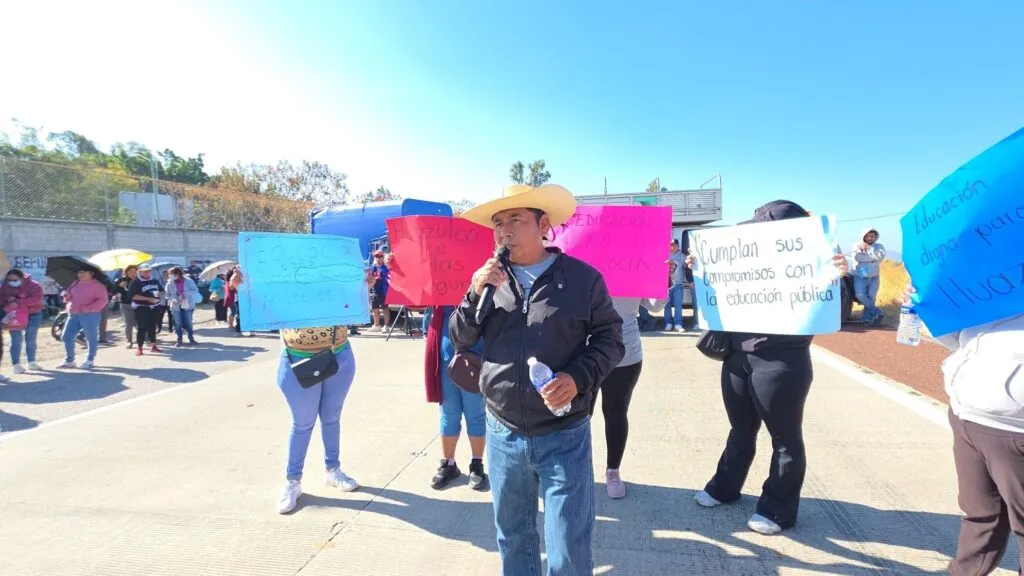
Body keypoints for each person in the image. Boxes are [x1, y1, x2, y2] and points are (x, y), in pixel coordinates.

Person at [451, 183, 624, 574]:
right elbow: (460, 338)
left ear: (543, 226)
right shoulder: (488, 282)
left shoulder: (582, 279)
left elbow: (611, 340)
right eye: (498, 223)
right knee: (513, 538)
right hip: (503, 432)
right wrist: (473, 294)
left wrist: (577, 377)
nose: (505, 231)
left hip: (564, 433)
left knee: (568, 548)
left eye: (516, 219)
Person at [688, 200, 849, 535]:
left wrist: (839, 278)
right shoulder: (744, 260)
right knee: (740, 429)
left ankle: (778, 509)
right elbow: (716, 293)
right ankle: (725, 486)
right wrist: (698, 270)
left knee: (785, 438)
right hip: (736, 358)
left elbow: (837, 312)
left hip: (781, 361)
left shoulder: (818, 264)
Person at [900, 285, 1023, 575]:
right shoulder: (991, 279)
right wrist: (929, 308)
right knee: (980, 514)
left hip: (1014, 429)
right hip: (966, 417)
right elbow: (960, 340)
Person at [275, 324, 359, 514]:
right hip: (297, 357)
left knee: (332, 418)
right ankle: (293, 480)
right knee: (302, 424)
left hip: (338, 354)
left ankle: (333, 469)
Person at [425, 305, 487, 490]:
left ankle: (477, 464)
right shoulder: (438, 294)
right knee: (448, 413)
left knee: (475, 413)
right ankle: (449, 463)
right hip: (445, 356)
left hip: (474, 356)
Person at [589, 298, 645, 499]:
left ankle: (613, 471)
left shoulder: (635, 275)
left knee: (616, 412)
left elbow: (655, 305)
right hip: (585, 353)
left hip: (626, 354)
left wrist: (664, 282)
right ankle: (577, 467)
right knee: (579, 416)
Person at [56, 266, 109, 370]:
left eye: (85, 272)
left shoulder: (98, 286)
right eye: (80, 272)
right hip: (73, 314)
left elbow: (103, 300)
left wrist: (88, 308)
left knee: (91, 338)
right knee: (66, 337)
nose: (82, 274)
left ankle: (90, 360)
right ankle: (70, 360)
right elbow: (68, 296)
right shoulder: (75, 283)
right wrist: (67, 296)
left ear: (92, 273)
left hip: (90, 315)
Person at [1, 269, 45, 373]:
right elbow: (1, 299)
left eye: (15, 280)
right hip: (14, 315)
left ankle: (32, 362)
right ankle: (16, 364)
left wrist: (19, 302)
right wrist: (8, 300)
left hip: (33, 314)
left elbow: (37, 298)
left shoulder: (34, 285)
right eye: (9, 280)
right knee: (16, 340)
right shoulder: (4, 287)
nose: (12, 282)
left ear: (22, 278)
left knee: (30, 339)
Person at [851, 228, 886, 324]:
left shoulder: (879, 246)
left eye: (872, 236)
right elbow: (858, 257)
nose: (869, 238)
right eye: (867, 236)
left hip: (874, 275)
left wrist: (869, 249)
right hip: (860, 275)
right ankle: (877, 311)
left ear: (875, 237)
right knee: (860, 295)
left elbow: (881, 256)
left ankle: (867, 318)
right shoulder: (856, 245)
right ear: (863, 236)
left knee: (871, 296)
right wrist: (873, 258)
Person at [129, 264, 163, 356]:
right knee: (141, 327)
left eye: (148, 271)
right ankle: (140, 348)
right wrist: (148, 299)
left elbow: (161, 290)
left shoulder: (154, 280)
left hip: (154, 306)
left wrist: (159, 294)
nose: (147, 273)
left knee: (152, 326)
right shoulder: (135, 282)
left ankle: (153, 345)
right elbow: (133, 296)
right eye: (144, 271)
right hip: (141, 307)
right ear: (140, 272)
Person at [165, 266, 200, 347]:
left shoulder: (188, 281)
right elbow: (167, 295)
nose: (171, 276)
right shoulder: (169, 283)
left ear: (178, 274)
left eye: (173, 274)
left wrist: (184, 294)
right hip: (175, 306)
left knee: (188, 322)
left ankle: (191, 339)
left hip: (188, 305)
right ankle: (179, 340)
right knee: (178, 323)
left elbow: (195, 290)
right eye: (170, 274)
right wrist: (174, 299)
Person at [665, 239, 686, 332]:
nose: (672, 247)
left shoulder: (683, 256)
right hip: (667, 285)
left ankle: (678, 324)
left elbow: (688, 269)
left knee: (678, 305)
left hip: (678, 285)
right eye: (671, 245)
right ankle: (668, 323)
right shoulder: (665, 255)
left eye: (674, 245)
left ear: (678, 246)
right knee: (667, 305)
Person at [116, 265, 139, 348]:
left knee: (139, 323)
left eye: (135, 272)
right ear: (126, 272)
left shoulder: (139, 280)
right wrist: (120, 286)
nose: (133, 274)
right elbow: (113, 290)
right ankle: (129, 341)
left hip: (138, 304)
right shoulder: (122, 280)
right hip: (125, 304)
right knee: (128, 324)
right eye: (131, 272)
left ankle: (142, 339)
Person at [368, 251, 391, 331]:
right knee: (375, 309)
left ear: (383, 257)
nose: (378, 258)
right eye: (376, 256)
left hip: (383, 292)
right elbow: (369, 277)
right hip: (374, 291)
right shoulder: (372, 267)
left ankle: (386, 326)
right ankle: (376, 325)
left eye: (380, 256)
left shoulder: (386, 267)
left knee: (385, 309)